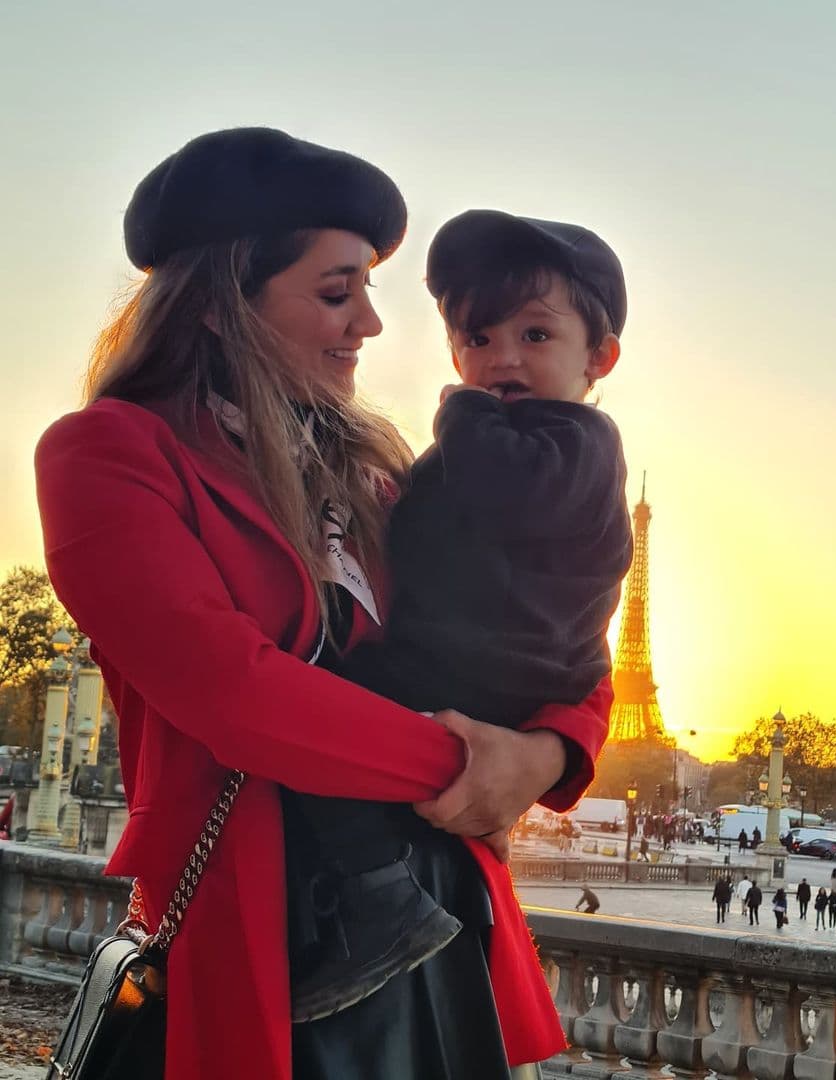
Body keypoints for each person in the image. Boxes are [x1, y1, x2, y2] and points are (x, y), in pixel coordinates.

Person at [35, 127, 614, 1080]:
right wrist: (466, 766)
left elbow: (548, 619)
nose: (372, 325)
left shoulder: (379, 472)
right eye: (338, 293)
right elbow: (234, 693)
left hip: (438, 912)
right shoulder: (107, 456)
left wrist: (544, 756)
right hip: (265, 933)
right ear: (221, 303)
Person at [300, 207, 632, 1013]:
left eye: (535, 335)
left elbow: (582, 641)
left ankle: (377, 895)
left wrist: (538, 758)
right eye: (478, 338)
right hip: (470, 678)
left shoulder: (568, 441)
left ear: (600, 357)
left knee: (337, 711)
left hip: (474, 672)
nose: (502, 358)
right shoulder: (489, 448)